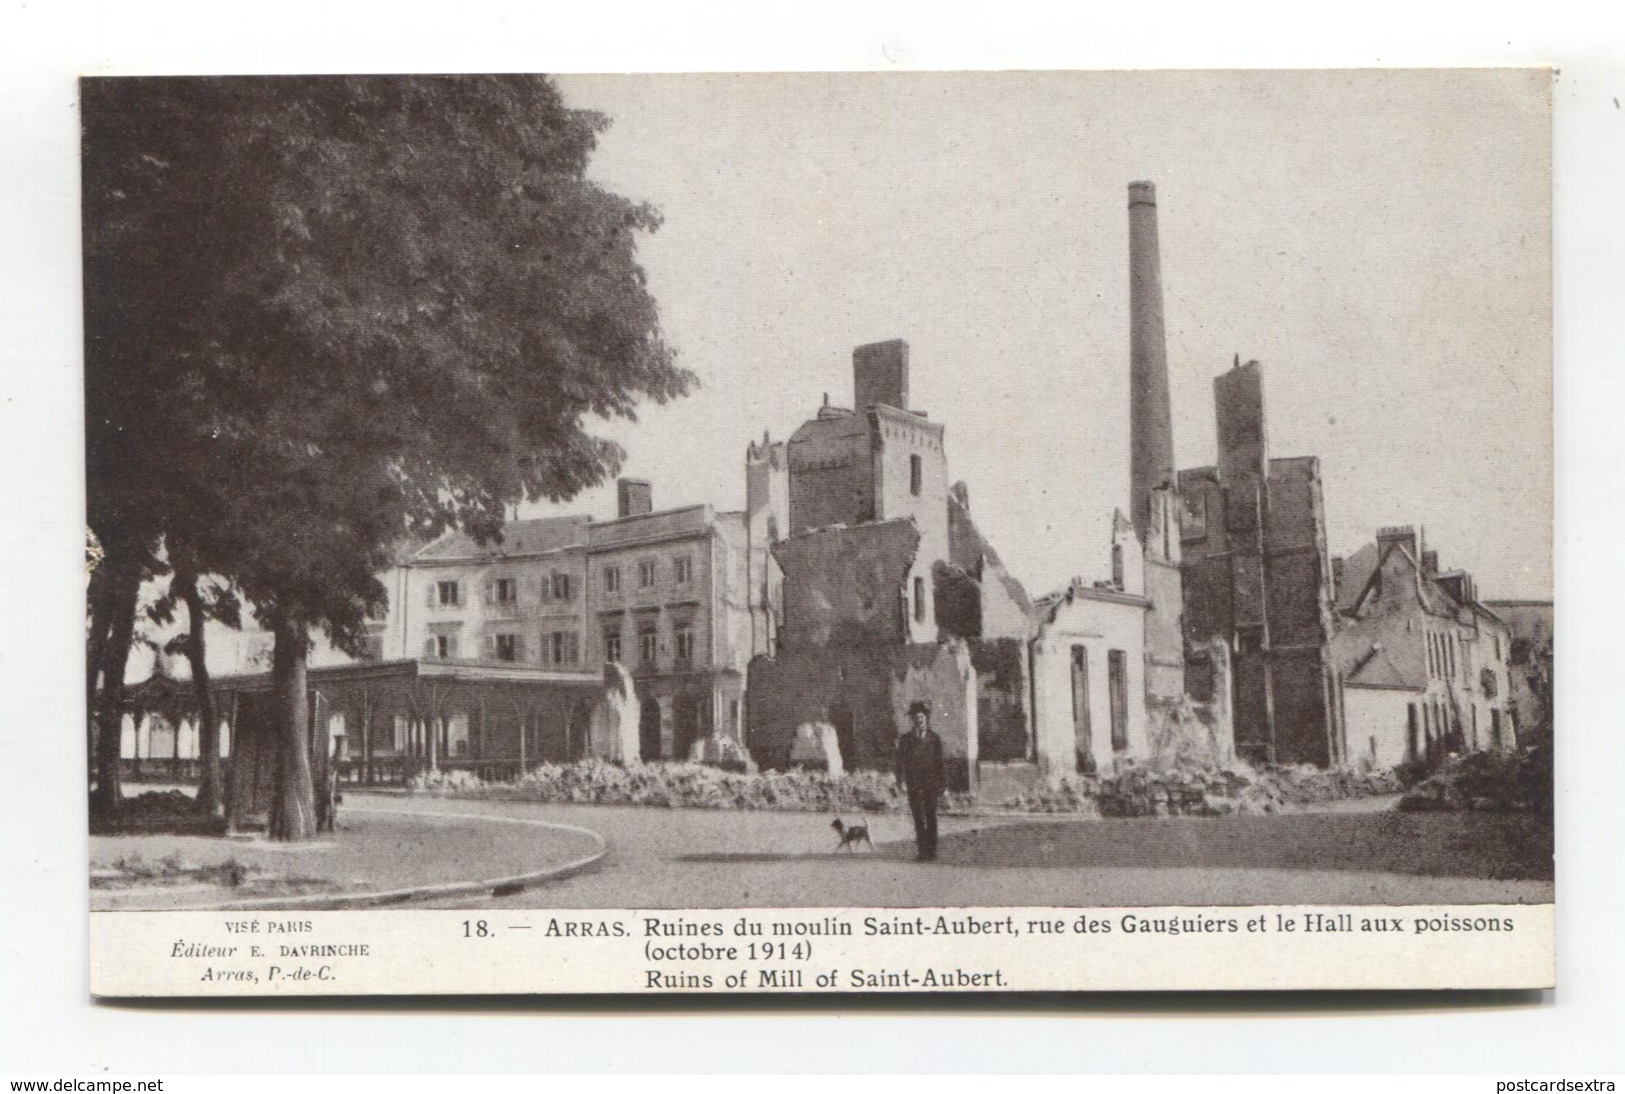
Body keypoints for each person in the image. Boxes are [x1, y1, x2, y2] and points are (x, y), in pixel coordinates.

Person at [894, 700, 945, 861]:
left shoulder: (934, 739)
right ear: (912, 720)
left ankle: (932, 851)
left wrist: (943, 784)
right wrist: (900, 781)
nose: (919, 720)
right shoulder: (905, 740)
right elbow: (899, 762)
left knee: (931, 816)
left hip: (931, 783)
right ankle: (922, 851)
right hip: (913, 783)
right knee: (918, 817)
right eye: (915, 718)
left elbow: (940, 763)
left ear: (926, 718)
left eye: (921, 717)